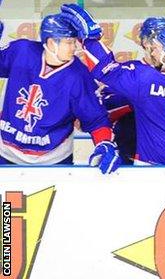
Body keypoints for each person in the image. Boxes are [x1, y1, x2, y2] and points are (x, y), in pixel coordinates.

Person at [61, 4, 165, 165]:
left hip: (151, 167)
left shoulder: (144, 78)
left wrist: (90, 36)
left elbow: (104, 68)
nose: (152, 51)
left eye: (157, 48)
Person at [0, 11, 120, 173]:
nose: (74, 47)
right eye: (68, 42)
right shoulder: (21, 51)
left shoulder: (79, 75)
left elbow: (95, 118)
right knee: (10, 200)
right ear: (51, 43)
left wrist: (104, 143)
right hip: (6, 152)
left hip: (54, 159)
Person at [99, 17, 165, 163]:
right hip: (129, 157)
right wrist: (135, 100)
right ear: (144, 42)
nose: (161, 46)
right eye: (155, 40)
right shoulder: (129, 72)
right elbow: (103, 110)